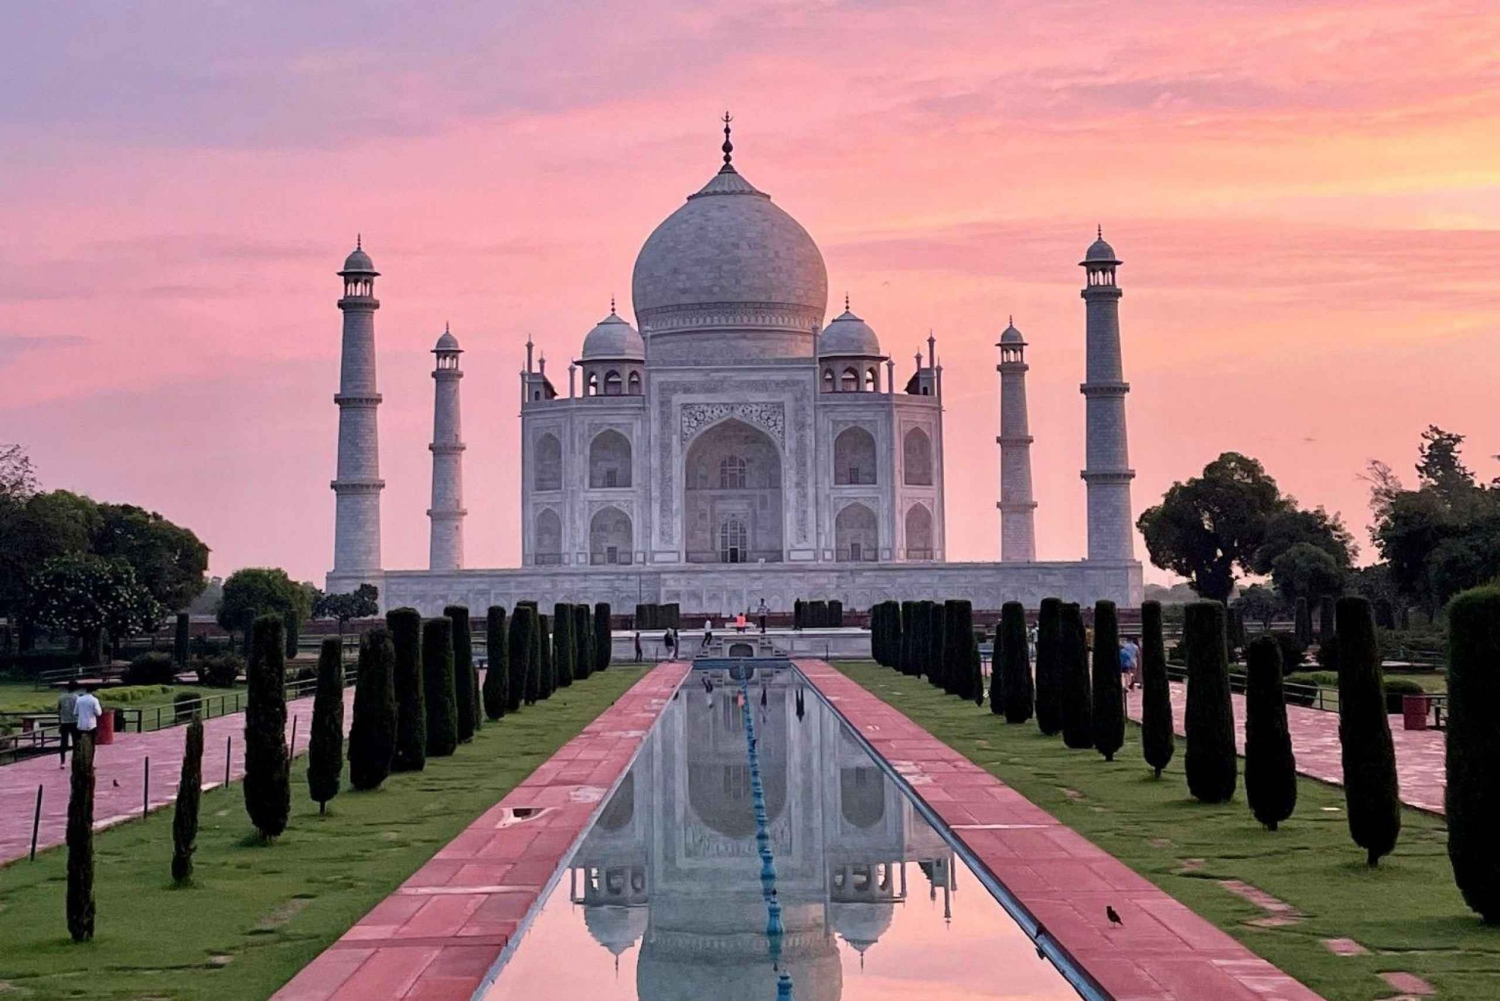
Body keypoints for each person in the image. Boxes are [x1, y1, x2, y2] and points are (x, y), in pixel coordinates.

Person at [74, 683, 104, 753]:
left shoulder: (79, 699)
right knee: (91, 744)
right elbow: (99, 713)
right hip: (91, 725)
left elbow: (75, 712)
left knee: (80, 745)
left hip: (80, 725)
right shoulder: (94, 700)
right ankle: (89, 762)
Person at [57, 679, 80, 768]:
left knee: (63, 742)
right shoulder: (77, 698)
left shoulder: (61, 697)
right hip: (74, 721)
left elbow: (58, 709)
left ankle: (62, 762)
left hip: (64, 722)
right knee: (76, 742)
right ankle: (75, 760)